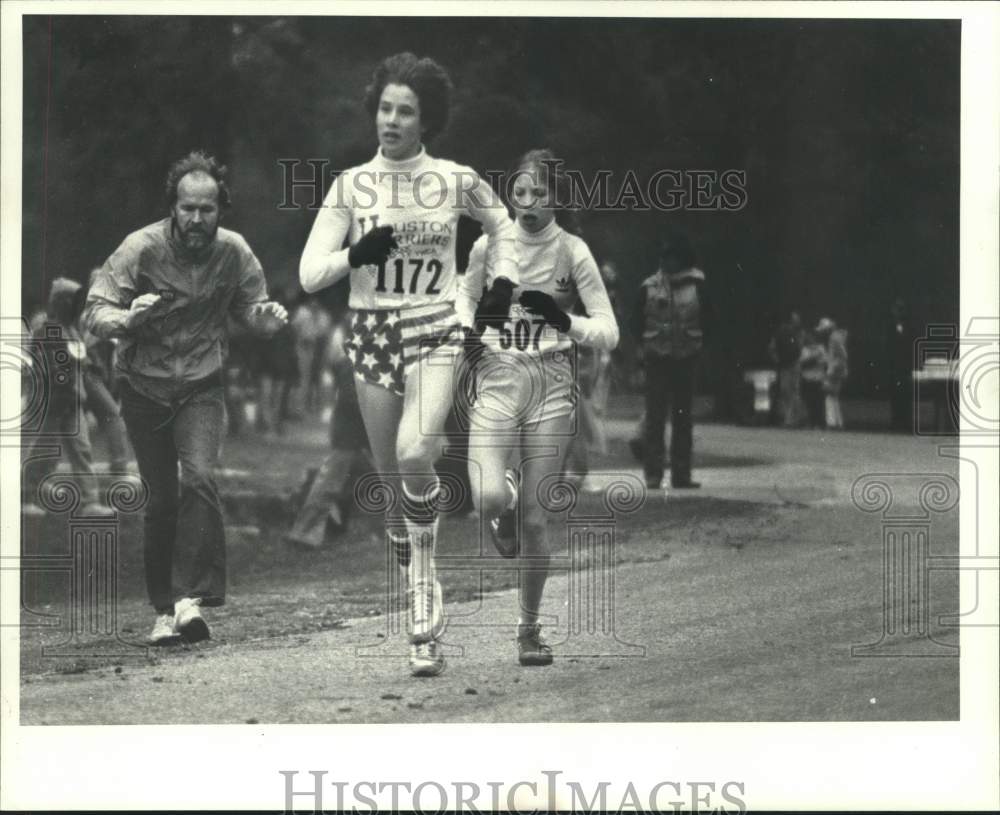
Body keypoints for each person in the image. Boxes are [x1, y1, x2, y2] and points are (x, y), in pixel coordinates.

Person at [299, 52, 518, 677]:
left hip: (435, 329)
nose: (392, 120)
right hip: (371, 335)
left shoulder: (453, 178)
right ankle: (421, 580)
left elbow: (503, 225)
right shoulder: (350, 185)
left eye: (407, 111)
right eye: (385, 108)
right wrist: (356, 252)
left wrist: (497, 284)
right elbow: (310, 273)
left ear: (427, 120)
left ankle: (424, 605)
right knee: (396, 496)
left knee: (416, 453)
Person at [84, 150, 288, 646]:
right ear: (173, 208)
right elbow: (94, 310)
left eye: (208, 209)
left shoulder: (235, 252)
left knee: (199, 476)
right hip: (143, 385)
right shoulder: (141, 248)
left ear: (222, 209)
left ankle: (191, 600)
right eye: (188, 208)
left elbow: (252, 309)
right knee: (161, 500)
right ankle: (163, 611)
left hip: (201, 382)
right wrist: (127, 320)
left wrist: (265, 323)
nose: (197, 219)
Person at [458, 148, 618, 665]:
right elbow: (464, 297)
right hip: (498, 379)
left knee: (535, 519)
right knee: (484, 497)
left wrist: (565, 320)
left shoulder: (573, 252)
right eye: (520, 192)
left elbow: (610, 332)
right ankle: (499, 499)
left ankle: (529, 629)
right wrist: (468, 334)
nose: (527, 203)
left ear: (558, 198)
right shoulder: (490, 244)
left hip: (551, 384)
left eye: (540, 193)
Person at [22, 277, 115, 517]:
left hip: (72, 402)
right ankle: (27, 495)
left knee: (82, 449)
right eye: (73, 300)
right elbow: (50, 368)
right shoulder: (48, 330)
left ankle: (89, 501)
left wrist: (89, 369)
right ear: (61, 302)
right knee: (45, 450)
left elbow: (80, 363)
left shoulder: (73, 330)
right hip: (53, 403)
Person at [634, 230, 708, 490]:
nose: (667, 263)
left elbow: (709, 319)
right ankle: (653, 475)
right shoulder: (649, 287)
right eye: (665, 258)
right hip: (657, 359)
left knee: (682, 419)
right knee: (655, 419)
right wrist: (640, 354)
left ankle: (681, 474)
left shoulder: (698, 285)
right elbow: (636, 323)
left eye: (672, 258)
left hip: (686, 358)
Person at [80, 268, 133, 473]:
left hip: (99, 376)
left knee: (64, 423)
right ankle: (119, 470)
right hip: (87, 375)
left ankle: (35, 472)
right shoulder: (90, 313)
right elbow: (87, 345)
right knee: (113, 418)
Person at [768, 309, 804, 427]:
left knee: (792, 391)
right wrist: (777, 359)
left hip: (793, 364)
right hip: (787, 365)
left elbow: (772, 347)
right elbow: (772, 347)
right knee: (788, 391)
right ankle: (790, 418)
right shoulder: (783, 332)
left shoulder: (797, 332)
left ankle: (793, 419)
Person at [885, 296, 914, 432]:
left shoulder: (909, 326)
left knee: (906, 396)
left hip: (905, 367)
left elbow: (911, 345)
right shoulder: (889, 326)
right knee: (895, 396)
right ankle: (896, 423)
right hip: (893, 367)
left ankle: (906, 423)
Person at [817, 317, 849, 429]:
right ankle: (838, 422)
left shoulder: (834, 338)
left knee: (829, 395)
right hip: (838, 369)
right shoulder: (837, 336)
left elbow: (842, 355)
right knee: (834, 396)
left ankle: (831, 422)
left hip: (835, 370)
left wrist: (831, 368)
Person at [798, 329, 827, 429]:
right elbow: (802, 364)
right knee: (809, 403)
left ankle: (820, 423)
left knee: (818, 403)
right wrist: (814, 358)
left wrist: (814, 359)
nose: (810, 339)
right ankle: (811, 422)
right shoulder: (804, 350)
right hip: (807, 378)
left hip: (818, 379)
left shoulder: (821, 348)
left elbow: (824, 362)